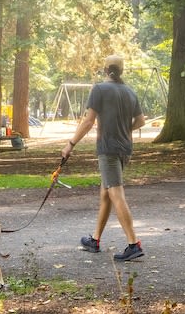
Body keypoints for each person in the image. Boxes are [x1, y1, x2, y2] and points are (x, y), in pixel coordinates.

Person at [62, 55, 146, 261]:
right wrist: (125, 129)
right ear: (122, 71)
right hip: (125, 149)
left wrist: (70, 144)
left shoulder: (99, 89)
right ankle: (95, 240)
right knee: (106, 194)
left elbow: (88, 121)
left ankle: (133, 244)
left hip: (108, 150)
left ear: (105, 69)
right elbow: (141, 121)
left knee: (116, 193)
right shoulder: (129, 91)